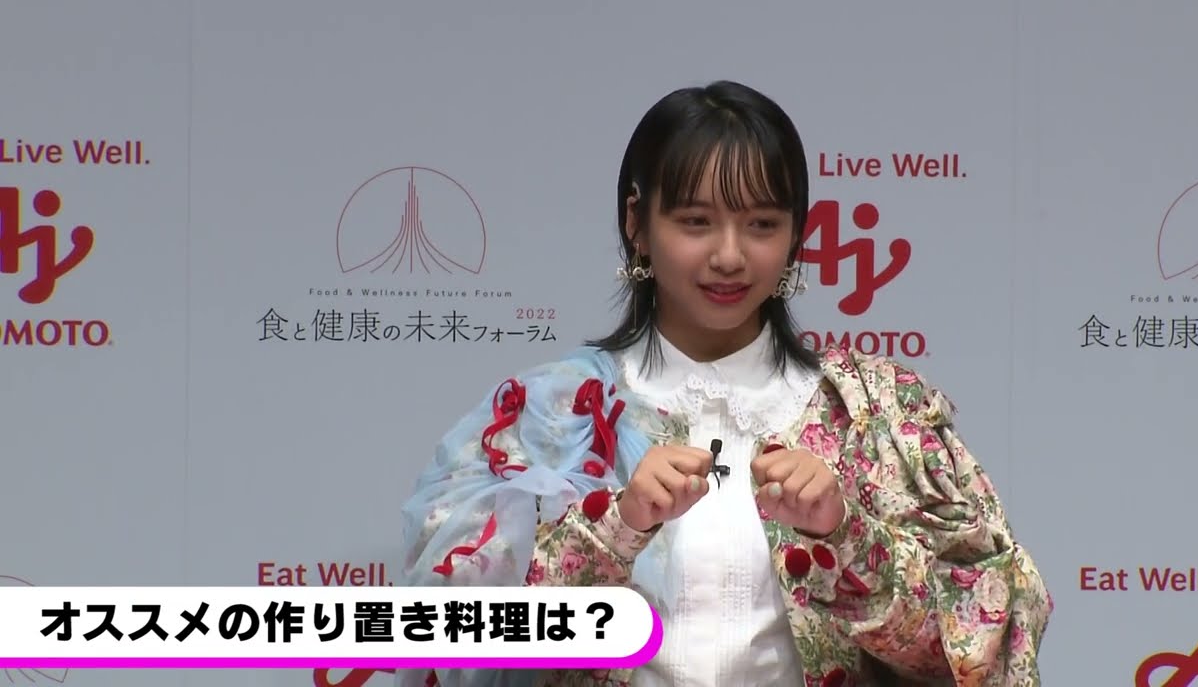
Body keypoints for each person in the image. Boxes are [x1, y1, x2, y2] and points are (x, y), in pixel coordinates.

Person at [397, 80, 1052, 687]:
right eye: (696, 221)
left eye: (762, 224)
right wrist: (617, 525)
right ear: (636, 223)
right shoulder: (551, 413)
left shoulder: (875, 414)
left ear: (797, 233)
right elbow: (451, 632)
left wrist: (844, 537)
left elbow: (986, 642)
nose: (730, 256)